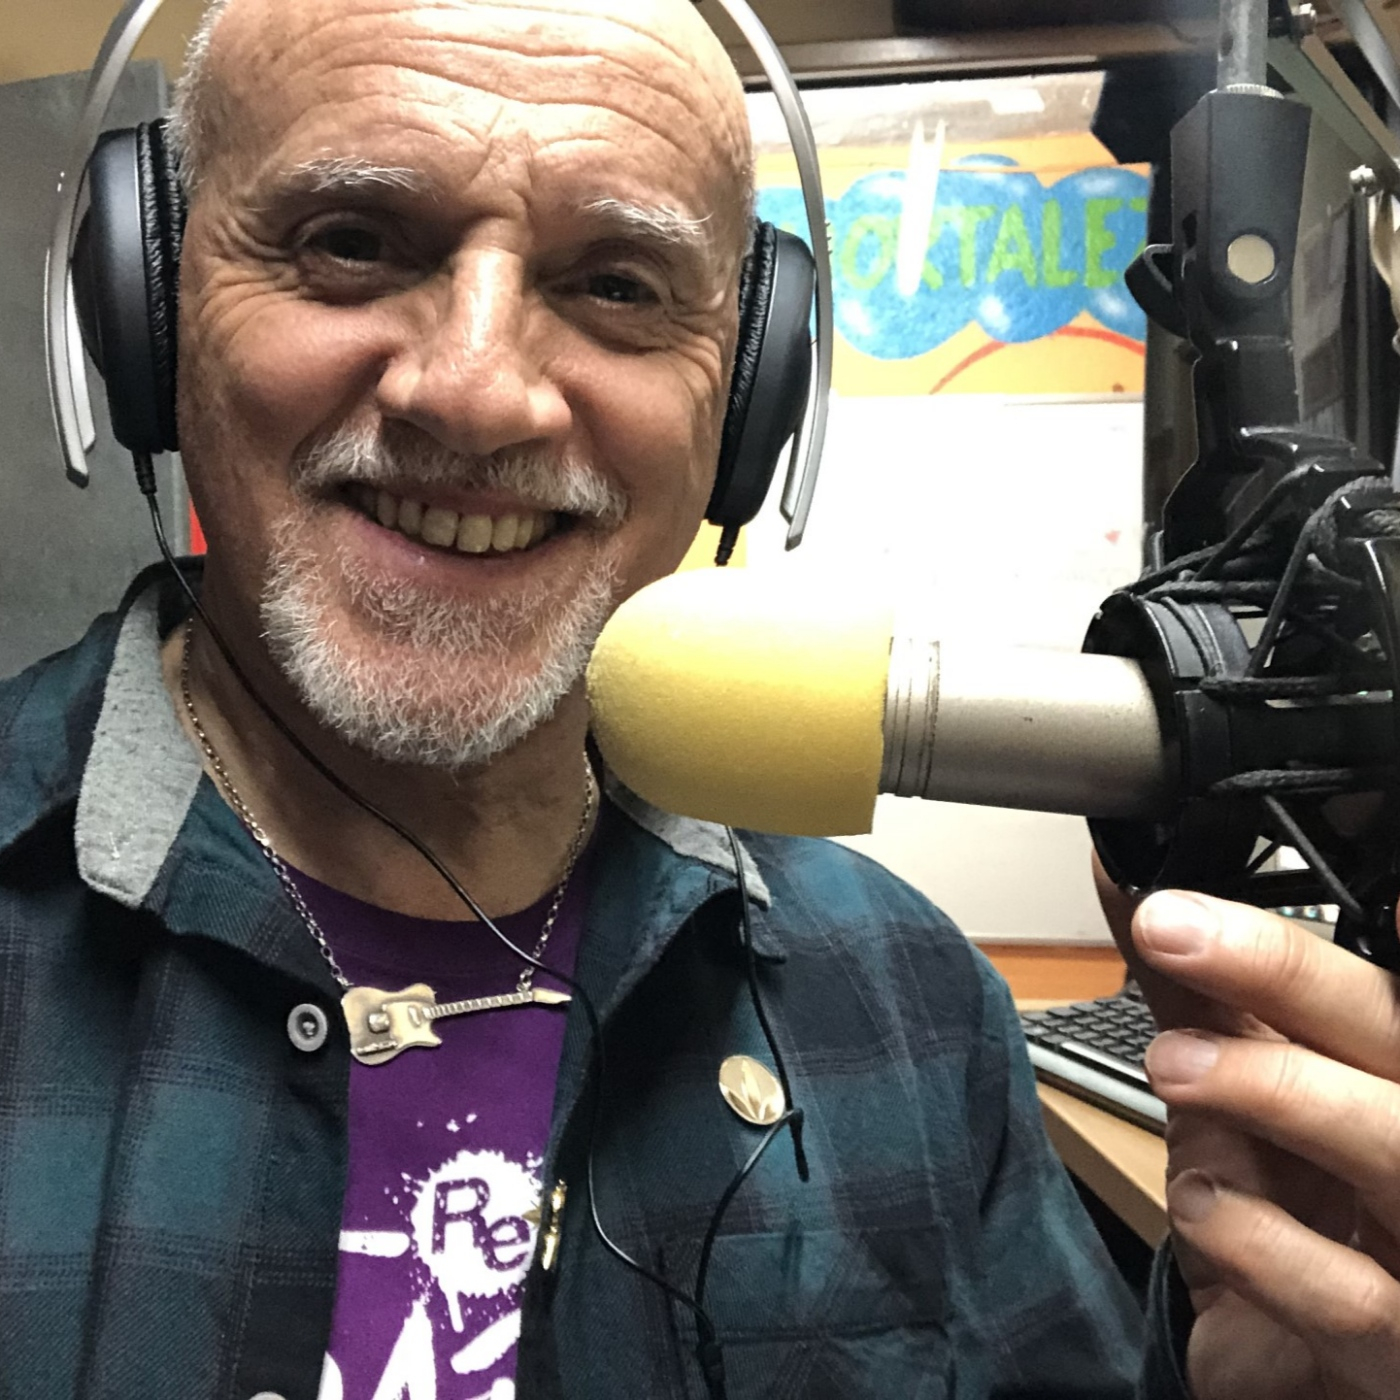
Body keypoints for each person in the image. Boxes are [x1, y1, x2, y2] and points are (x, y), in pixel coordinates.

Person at [0, 0, 1397, 1396]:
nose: (477, 395)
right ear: (147, 300)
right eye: (352, 243)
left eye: (617, 285)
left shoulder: (910, 1007)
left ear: (748, 398)